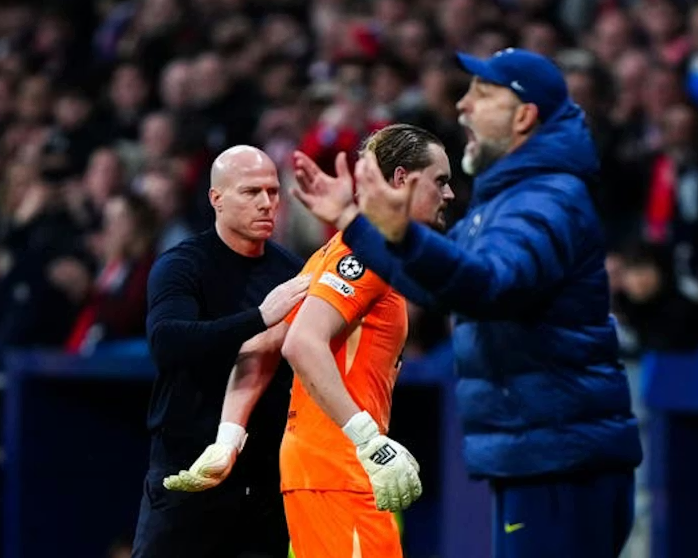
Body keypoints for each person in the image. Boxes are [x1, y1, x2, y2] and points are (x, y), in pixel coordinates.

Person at [291, 48, 644, 558]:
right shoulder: (506, 199)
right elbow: (439, 286)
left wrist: (388, 230)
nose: (462, 106)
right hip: (539, 453)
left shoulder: (544, 199)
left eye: (482, 95)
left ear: (523, 117)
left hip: (559, 456)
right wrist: (357, 222)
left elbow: (488, 285)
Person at [162, 123, 454, 558]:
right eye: (440, 180)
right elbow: (300, 343)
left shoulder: (329, 253)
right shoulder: (364, 255)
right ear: (401, 180)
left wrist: (228, 439)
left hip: (318, 471)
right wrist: (369, 442)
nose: (449, 194)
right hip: (342, 471)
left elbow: (264, 344)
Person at [131, 145, 311, 558]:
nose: (266, 203)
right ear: (217, 198)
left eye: (272, 191)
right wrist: (260, 317)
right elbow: (168, 344)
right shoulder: (182, 265)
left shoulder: (291, 272)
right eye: (251, 192)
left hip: (262, 481)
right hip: (187, 470)